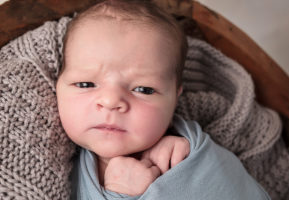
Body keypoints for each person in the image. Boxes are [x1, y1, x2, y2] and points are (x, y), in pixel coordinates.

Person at [56, 0, 271, 199]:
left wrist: (181, 178)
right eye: (85, 84)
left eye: (143, 89)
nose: (111, 101)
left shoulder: (186, 155)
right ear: (57, 86)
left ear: (174, 99)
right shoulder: (52, 165)